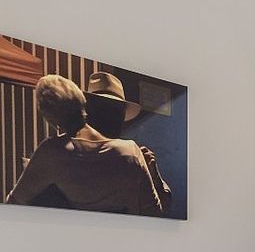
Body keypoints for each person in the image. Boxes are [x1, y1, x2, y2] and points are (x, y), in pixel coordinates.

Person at [4, 75, 162, 217]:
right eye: (108, 110)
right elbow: (154, 212)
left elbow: (14, 203)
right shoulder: (130, 152)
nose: (113, 117)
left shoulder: (52, 152)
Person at [84, 72, 172, 212]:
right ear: (91, 112)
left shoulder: (133, 155)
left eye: (117, 112)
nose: (113, 118)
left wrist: (153, 173)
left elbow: (163, 206)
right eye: (106, 110)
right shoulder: (74, 153)